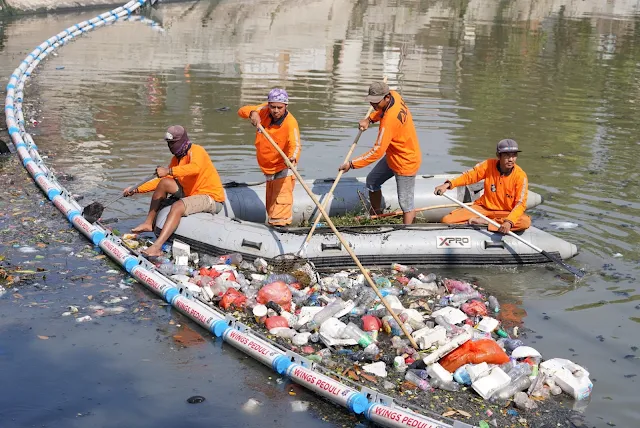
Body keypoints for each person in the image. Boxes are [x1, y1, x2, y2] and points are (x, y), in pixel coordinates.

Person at [124, 125, 225, 257]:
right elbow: (160, 180)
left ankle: (157, 247)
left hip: (210, 197)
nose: (170, 147)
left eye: (173, 143)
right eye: (168, 143)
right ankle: (149, 223)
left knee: (177, 206)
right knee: (164, 182)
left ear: (182, 141)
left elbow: (195, 168)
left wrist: (169, 171)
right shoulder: (176, 159)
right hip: (191, 192)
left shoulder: (197, 151)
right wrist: (136, 189)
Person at [338, 82, 422, 224]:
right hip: (393, 156)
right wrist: (370, 119)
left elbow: (377, 151)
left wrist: (352, 164)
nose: (373, 105)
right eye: (371, 101)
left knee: (406, 203)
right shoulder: (395, 95)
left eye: (376, 102)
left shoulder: (389, 121)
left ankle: (408, 232)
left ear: (387, 98)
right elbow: (381, 111)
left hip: (405, 162)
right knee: (372, 182)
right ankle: (376, 215)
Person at [434, 139, 530, 234]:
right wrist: (448, 184)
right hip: (483, 208)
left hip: (506, 213)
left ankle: (485, 222)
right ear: (498, 155)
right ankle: (488, 223)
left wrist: (509, 221)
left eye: (514, 155)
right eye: (506, 155)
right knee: (447, 220)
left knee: (525, 222)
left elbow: (520, 203)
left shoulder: (520, 176)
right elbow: (469, 176)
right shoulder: (488, 165)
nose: (511, 159)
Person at [238, 88, 301, 226]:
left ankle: (281, 232)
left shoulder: (290, 123)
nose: (276, 111)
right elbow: (242, 110)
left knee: (280, 212)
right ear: (269, 105)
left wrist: (292, 158)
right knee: (271, 209)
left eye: (280, 107)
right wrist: (252, 113)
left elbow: (295, 145)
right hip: (268, 170)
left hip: (283, 168)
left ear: (286, 106)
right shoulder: (263, 110)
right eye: (273, 107)